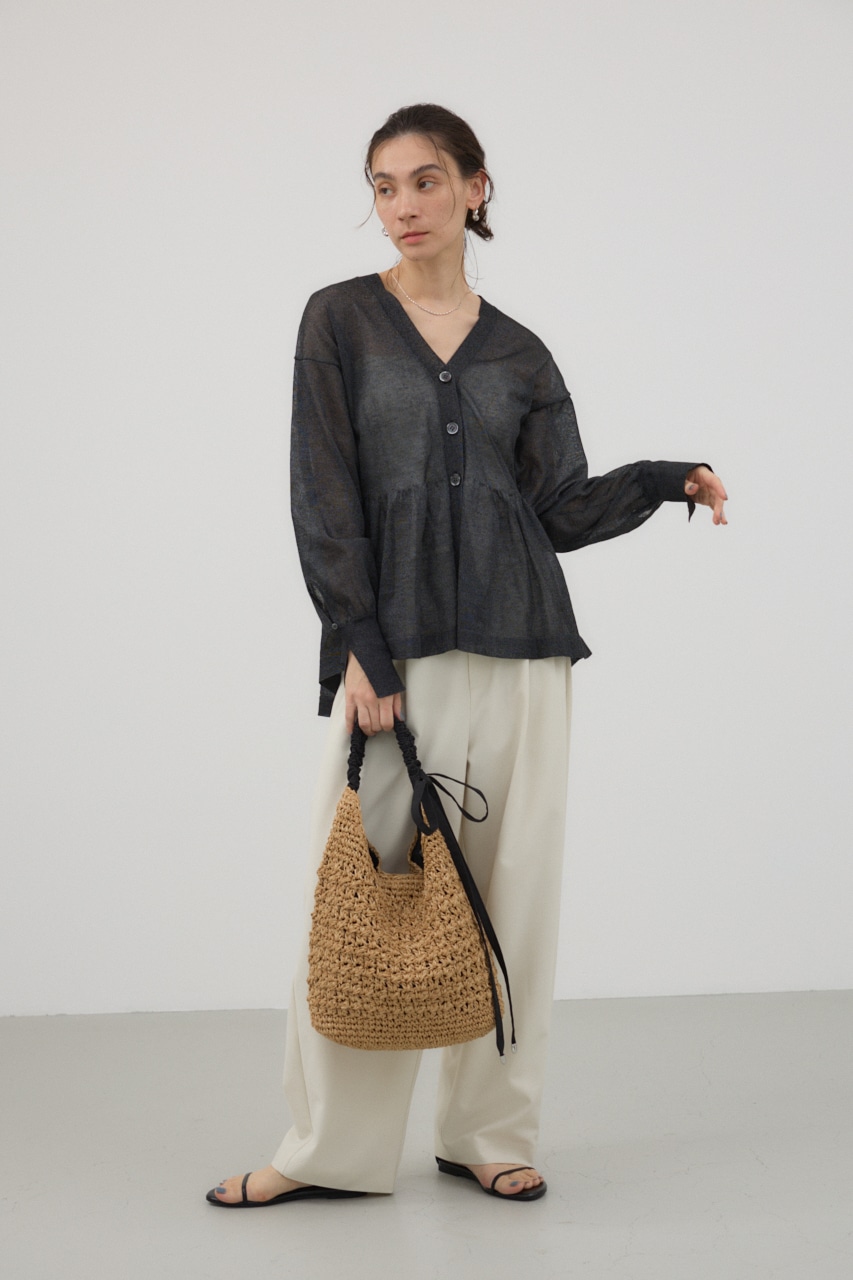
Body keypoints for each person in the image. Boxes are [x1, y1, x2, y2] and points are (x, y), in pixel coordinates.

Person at [207, 103, 727, 1209]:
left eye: (426, 180)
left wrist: (662, 479)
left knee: (512, 898)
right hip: (393, 654)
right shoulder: (338, 320)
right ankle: (328, 1149)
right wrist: (359, 643)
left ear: (475, 188)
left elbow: (558, 506)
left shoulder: (520, 351)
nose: (402, 205)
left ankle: (487, 1133)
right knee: (361, 891)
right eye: (383, 185)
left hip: (521, 647)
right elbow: (322, 492)